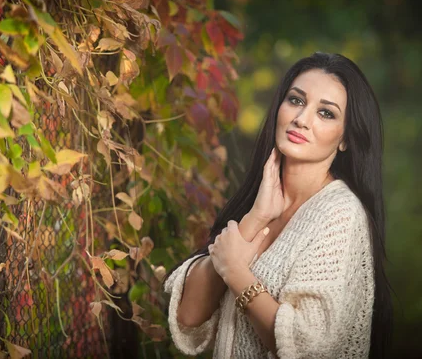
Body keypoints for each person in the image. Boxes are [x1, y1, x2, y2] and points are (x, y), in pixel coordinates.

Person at [164, 52, 393, 359]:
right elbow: (188, 316)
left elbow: (310, 346)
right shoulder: (261, 199)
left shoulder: (340, 215)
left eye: (326, 113)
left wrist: (236, 273)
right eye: (296, 100)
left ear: (345, 139)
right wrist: (257, 217)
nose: (301, 119)